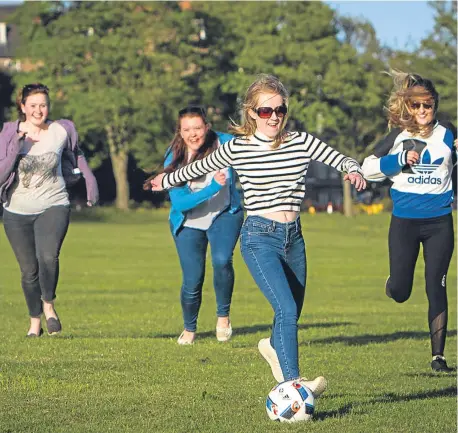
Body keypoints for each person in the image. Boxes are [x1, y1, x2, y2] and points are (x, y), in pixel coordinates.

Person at [150, 74, 366, 396]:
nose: (274, 117)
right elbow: (195, 168)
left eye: (280, 110)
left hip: (294, 238)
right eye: (266, 111)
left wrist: (354, 169)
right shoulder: (237, 147)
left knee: (290, 310)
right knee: (287, 310)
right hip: (258, 237)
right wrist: (164, 180)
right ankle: (294, 387)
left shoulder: (301, 142)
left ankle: (273, 350)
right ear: (252, 113)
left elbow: (340, 158)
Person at [361, 71, 456, 373]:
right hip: (404, 223)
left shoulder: (449, 133)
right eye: (416, 105)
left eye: (427, 105)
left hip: (440, 222)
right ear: (408, 107)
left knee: (436, 285)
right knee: (402, 291)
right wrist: (398, 161)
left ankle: (438, 356)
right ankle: (393, 285)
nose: (422, 111)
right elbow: (367, 168)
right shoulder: (397, 136)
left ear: (434, 105)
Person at [0, 83, 99, 337]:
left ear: (48, 106)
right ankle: (35, 322)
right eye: (32, 105)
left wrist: (89, 180)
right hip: (16, 212)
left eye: (43, 105)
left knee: (48, 257)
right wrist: (16, 148)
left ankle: (49, 305)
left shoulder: (61, 130)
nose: (38, 110)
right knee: (28, 271)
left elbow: (76, 155)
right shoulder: (9, 133)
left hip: (54, 204)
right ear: (23, 107)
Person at [144, 106, 243, 345]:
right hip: (188, 221)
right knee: (192, 279)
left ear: (207, 127)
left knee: (221, 260)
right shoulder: (175, 155)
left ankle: (223, 317)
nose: (193, 134)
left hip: (224, 214)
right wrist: (212, 188)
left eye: (198, 127)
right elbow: (181, 202)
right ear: (180, 131)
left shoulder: (225, 143)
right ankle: (189, 329)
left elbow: (253, 144)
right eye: (187, 129)